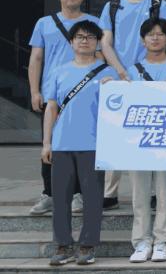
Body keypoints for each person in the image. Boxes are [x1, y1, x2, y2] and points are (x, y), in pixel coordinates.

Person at [28, 0, 110, 217]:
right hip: (54, 94)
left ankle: (78, 193)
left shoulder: (94, 23)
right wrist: (35, 91)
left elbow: (102, 56)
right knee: (51, 144)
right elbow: (36, 58)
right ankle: (49, 193)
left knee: (83, 145)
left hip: (86, 95)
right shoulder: (44, 23)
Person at [99, 0, 166, 211]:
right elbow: (105, 42)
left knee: (149, 134)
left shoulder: (158, 4)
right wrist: (121, 71)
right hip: (119, 77)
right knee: (115, 134)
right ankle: (110, 192)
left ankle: (151, 191)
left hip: (151, 79)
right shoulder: (111, 6)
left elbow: (165, 37)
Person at [41, 20, 117, 267]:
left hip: (94, 144)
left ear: (98, 42)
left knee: (93, 199)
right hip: (62, 143)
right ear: (72, 42)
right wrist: (46, 142)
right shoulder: (58, 71)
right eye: (80, 37)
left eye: (90, 37)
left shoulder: (108, 72)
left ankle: (87, 245)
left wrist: (115, 88)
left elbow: (118, 107)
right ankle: (62, 245)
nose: (85, 41)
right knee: (60, 199)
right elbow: (51, 108)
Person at [127, 18, 166, 263]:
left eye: (161, 34)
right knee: (139, 195)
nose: (155, 38)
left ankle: (161, 241)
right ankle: (141, 241)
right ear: (143, 40)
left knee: (164, 193)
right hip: (139, 140)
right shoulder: (132, 70)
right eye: (150, 34)